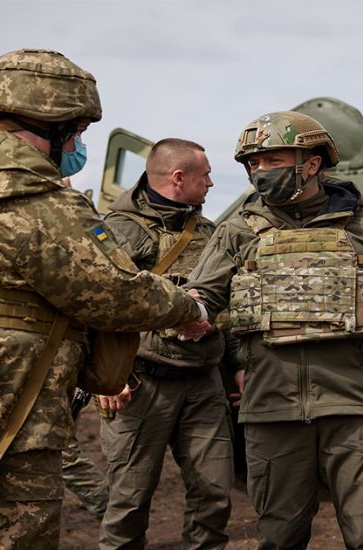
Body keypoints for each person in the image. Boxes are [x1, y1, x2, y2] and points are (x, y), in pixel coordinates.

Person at [0, 49, 206, 549]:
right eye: (79, 132)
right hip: (10, 423)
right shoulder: (45, 207)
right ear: (58, 124)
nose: (78, 144)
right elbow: (115, 295)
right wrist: (188, 309)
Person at [181, 111, 363, 549]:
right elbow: (203, 296)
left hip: (356, 410)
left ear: (312, 163)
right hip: (272, 412)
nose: (261, 171)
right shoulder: (238, 231)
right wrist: (188, 312)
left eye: (273, 160)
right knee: (279, 537)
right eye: (254, 163)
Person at [97, 138, 242, 549]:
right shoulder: (117, 231)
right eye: (205, 175)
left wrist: (237, 365)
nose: (211, 183)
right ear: (178, 177)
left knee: (214, 495)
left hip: (203, 383)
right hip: (141, 385)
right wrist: (106, 377)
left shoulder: (209, 233)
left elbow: (228, 304)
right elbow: (95, 305)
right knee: (129, 501)